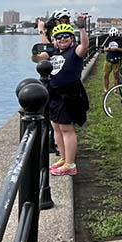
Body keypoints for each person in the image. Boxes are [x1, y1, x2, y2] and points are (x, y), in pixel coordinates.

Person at [32, 15, 90, 177]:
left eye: (66, 36)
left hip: (70, 94)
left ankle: (70, 164)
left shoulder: (74, 51)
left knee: (66, 128)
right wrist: (41, 31)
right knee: (55, 126)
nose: (63, 39)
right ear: (55, 40)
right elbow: (41, 51)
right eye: (59, 37)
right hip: (54, 93)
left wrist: (82, 28)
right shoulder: (54, 51)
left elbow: (85, 46)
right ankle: (64, 158)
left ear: (72, 39)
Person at [102, 26, 122, 92]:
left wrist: (116, 49)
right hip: (108, 60)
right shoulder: (109, 39)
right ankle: (106, 89)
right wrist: (107, 49)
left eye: (114, 37)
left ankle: (115, 88)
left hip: (117, 60)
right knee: (105, 75)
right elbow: (104, 48)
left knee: (116, 75)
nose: (113, 38)